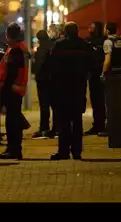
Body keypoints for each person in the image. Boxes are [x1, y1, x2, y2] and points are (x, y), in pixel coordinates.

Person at [48, 22, 93, 160]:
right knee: (77, 121)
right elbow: (91, 64)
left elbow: (52, 67)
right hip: (78, 88)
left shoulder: (58, 45)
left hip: (62, 88)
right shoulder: (84, 46)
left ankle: (63, 151)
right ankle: (77, 151)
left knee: (63, 122)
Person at [0, 23, 29, 160]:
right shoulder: (19, 48)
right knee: (13, 119)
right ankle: (12, 148)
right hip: (16, 88)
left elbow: (12, 71)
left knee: (12, 122)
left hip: (12, 89)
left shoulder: (16, 50)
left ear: (9, 35)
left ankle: (14, 150)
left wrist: (5, 87)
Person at [99, 22, 121, 137]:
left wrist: (103, 73)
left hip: (112, 74)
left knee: (110, 101)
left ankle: (110, 127)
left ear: (107, 30)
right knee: (120, 100)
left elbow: (108, 59)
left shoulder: (108, 42)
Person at [85, 22, 107, 136]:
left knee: (102, 101)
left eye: (92, 27)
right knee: (95, 101)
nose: (90, 29)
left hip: (101, 75)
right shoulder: (88, 41)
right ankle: (97, 124)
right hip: (92, 75)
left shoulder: (104, 41)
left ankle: (102, 125)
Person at [31, 29, 54, 140]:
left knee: (44, 106)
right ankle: (55, 128)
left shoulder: (41, 50)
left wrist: (36, 75)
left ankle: (44, 128)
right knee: (54, 105)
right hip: (53, 80)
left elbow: (39, 65)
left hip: (43, 80)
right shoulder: (53, 46)